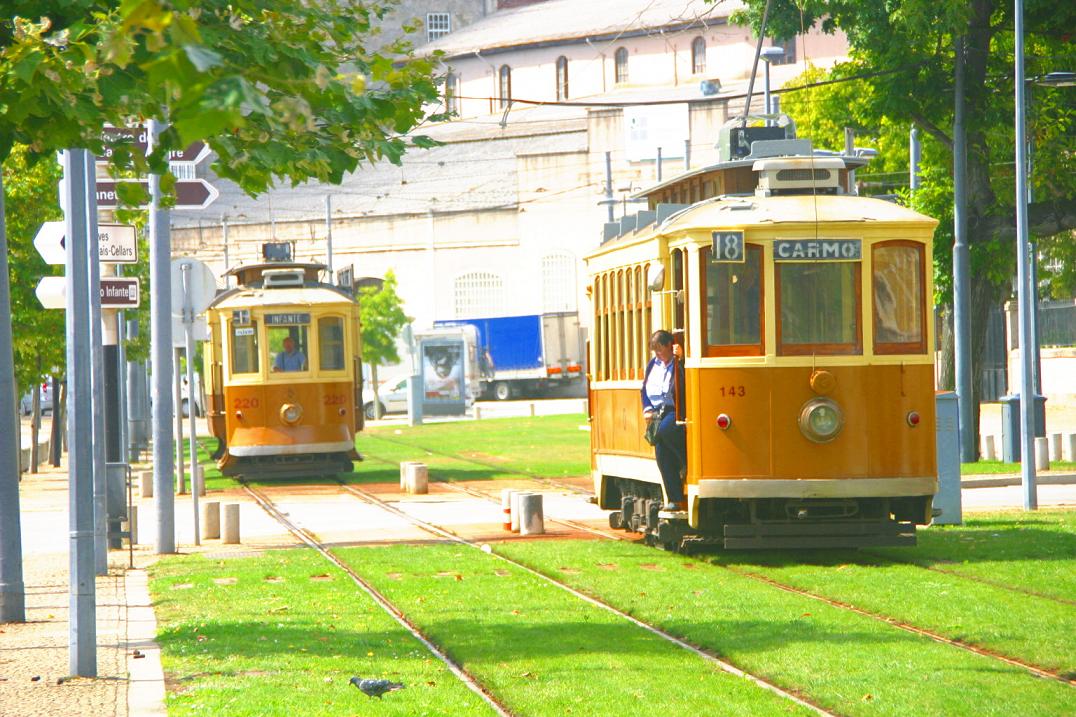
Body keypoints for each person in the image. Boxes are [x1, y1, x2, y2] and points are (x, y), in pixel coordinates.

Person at [641, 329, 686, 510]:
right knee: (660, 453)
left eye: (660, 350)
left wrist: (681, 359)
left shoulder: (677, 362)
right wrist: (647, 408)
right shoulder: (654, 364)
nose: (658, 354)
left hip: (674, 409)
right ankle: (674, 499)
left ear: (670, 346)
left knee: (664, 431)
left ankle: (684, 461)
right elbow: (643, 389)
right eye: (655, 351)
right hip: (657, 412)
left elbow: (684, 381)